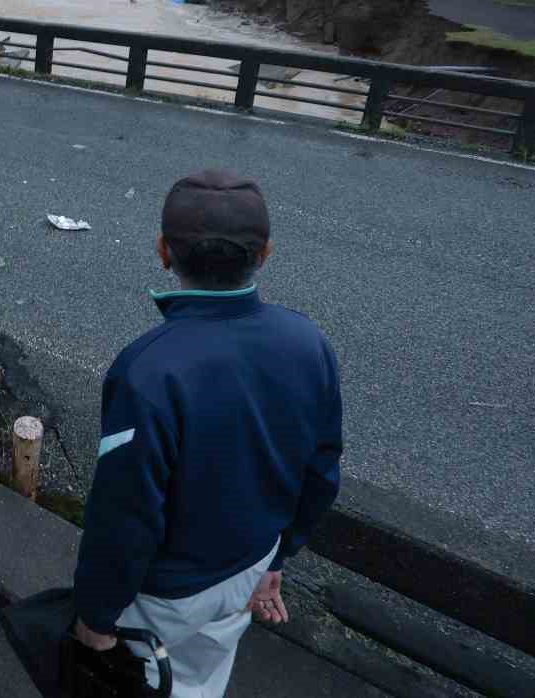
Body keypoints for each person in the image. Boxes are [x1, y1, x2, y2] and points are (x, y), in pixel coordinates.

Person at [71, 170, 343, 695]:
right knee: (205, 674)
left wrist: (96, 617)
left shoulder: (147, 370)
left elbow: (124, 515)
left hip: (169, 590)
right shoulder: (309, 344)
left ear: (163, 251)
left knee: (148, 680)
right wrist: (279, 557)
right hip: (252, 561)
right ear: (264, 254)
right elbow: (322, 470)